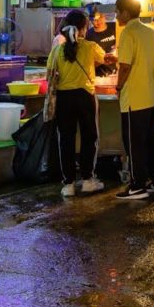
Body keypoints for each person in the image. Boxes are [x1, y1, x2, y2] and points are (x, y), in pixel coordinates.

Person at [46, 10, 107, 197]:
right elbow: (104, 58)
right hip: (85, 96)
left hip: (64, 98)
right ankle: (88, 180)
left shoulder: (57, 50)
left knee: (66, 140)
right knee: (90, 137)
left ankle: (69, 184)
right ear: (83, 28)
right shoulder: (90, 46)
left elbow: (49, 75)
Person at [114, 0, 154, 200]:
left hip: (134, 98)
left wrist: (118, 87)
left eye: (117, 12)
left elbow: (125, 66)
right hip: (152, 95)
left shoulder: (128, 33)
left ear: (125, 13)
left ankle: (137, 185)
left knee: (134, 142)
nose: (116, 16)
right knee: (153, 140)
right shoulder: (150, 32)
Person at [85, 3, 117, 76]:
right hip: (98, 75)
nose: (98, 21)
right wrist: (102, 59)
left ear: (104, 16)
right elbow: (88, 61)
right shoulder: (88, 35)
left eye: (101, 17)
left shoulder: (115, 27)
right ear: (90, 20)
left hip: (115, 72)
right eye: (95, 20)